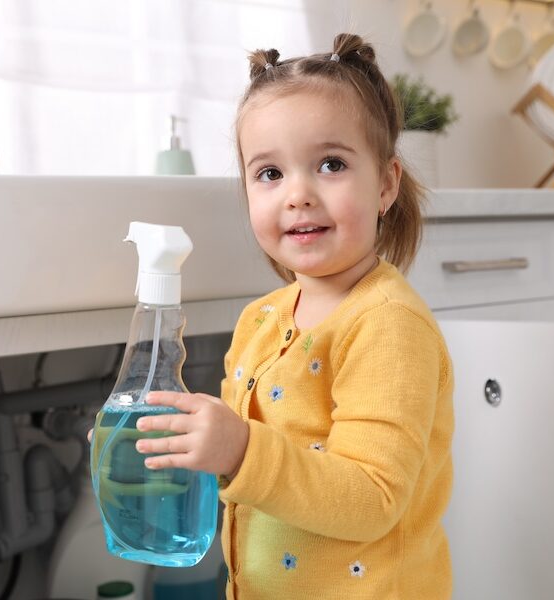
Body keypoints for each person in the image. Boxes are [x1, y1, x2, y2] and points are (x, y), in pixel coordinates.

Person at [134, 33, 454, 599]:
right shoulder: (260, 320)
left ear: (385, 184)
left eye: (330, 164)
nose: (297, 194)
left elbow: (373, 494)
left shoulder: (387, 324)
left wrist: (240, 450)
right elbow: (251, 473)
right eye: (270, 174)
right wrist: (170, 447)